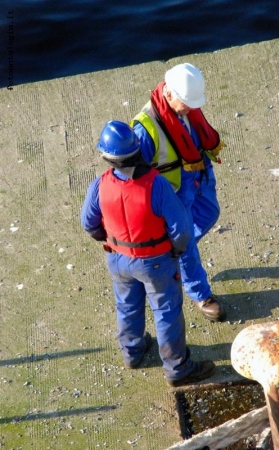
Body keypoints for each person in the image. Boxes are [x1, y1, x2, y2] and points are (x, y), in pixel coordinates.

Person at [81, 120, 216, 387]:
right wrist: (175, 252)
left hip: (118, 258)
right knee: (166, 312)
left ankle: (132, 352)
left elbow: (88, 223)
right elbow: (181, 230)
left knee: (127, 306)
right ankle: (177, 368)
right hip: (155, 262)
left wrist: (109, 239)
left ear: (107, 157)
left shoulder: (100, 185)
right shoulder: (157, 185)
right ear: (137, 150)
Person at [130, 63, 227, 322]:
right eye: (185, 101)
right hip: (174, 190)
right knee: (186, 246)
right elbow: (138, 175)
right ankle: (200, 293)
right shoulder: (145, 128)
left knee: (209, 214)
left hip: (198, 176)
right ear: (169, 94)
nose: (190, 107)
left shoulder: (185, 108)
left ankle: (176, 249)